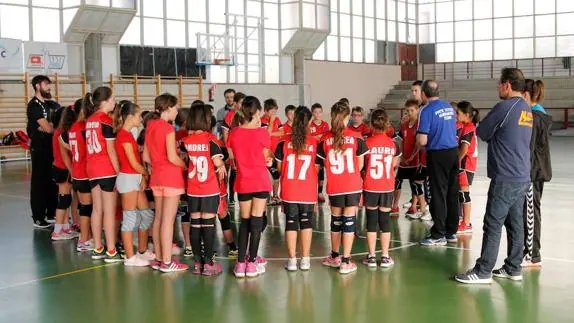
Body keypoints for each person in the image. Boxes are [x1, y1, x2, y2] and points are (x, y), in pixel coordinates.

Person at [456, 68, 532, 284]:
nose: (498, 87)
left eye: (499, 83)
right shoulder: (526, 109)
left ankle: (483, 270)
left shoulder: (504, 107)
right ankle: (513, 267)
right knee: (515, 223)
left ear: (507, 84)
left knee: (493, 223)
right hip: (521, 174)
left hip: (505, 176)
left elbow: (482, 132)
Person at [318, 102, 369, 275]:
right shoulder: (356, 137)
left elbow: (321, 166)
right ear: (347, 117)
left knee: (336, 221)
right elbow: (361, 165)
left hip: (335, 186)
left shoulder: (324, 140)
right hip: (352, 185)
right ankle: (346, 261)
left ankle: (334, 256)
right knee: (349, 222)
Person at [227, 96, 273, 278]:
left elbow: (232, 154)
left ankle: (240, 264)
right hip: (260, 180)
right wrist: (266, 161)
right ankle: (252, 263)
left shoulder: (234, 133)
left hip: (243, 181)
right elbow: (266, 157)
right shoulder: (262, 133)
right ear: (257, 113)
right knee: (256, 222)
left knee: (245, 222)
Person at [143, 93, 188, 273]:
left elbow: (146, 156)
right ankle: (168, 261)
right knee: (168, 221)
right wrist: (183, 163)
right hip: (171, 178)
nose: (177, 112)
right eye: (176, 108)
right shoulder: (168, 129)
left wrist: (158, 163)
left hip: (157, 178)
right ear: (168, 107)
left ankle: (160, 258)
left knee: (159, 219)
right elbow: (172, 156)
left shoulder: (150, 126)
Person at [275, 106, 320, 271]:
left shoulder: (284, 143)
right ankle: (306, 260)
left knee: (291, 223)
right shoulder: (315, 143)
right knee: (306, 223)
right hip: (307, 189)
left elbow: (280, 168)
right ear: (309, 121)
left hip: (289, 189)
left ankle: (292, 260)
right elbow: (317, 168)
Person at [184, 104, 226, 276]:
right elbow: (217, 164)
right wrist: (222, 166)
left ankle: (197, 263)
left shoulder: (187, 141)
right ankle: (208, 264)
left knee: (195, 224)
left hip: (193, 188)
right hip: (208, 188)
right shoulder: (211, 140)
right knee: (208, 225)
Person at [416, 80, 460, 246]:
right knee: (451, 193)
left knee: (438, 194)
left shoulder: (426, 110)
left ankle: (438, 234)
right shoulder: (449, 107)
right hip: (453, 153)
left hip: (438, 154)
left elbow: (422, 139)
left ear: (423, 94)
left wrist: (419, 144)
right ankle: (451, 232)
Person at [114, 100, 155, 267]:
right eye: (138, 115)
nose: (141, 118)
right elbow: (133, 163)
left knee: (146, 215)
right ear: (130, 116)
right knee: (130, 219)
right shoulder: (123, 136)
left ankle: (142, 251)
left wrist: (143, 178)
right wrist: (149, 173)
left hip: (135, 178)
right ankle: (130, 257)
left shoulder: (129, 135)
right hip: (128, 178)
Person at [84, 87, 121, 262]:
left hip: (92, 169)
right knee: (109, 211)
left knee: (97, 209)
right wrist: (118, 172)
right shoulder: (106, 121)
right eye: (112, 99)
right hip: (106, 169)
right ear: (105, 101)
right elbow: (111, 150)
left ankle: (98, 247)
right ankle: (111, 250)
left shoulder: (89, 120)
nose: (114, 102)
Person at [362, 109, 401, 268]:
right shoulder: (394, 145)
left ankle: (371, 256)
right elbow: (394, 165)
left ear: (371, 124)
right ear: (387, 124)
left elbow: (363, 166)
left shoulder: (366, 144)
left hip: (371, 186)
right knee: (384, 222)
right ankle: (385, 256)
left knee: (371, 221)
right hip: (386, 187)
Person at [522, 79, 552, 268]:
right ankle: (529, 251)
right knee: (529, 211)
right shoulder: (539, 114)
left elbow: (528, 147)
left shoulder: (534, 118)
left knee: (531, 212)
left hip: (533, 172)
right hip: (535, 170)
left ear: (526, 95)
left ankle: (533, 254)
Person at [27, 75, 59, 228]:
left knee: (52, 181)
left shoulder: (52, 104)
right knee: (39, 183)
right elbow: (47, 128)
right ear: (37, 86)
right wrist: (49, 126)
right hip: (39, 149)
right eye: (46, 84)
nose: (49, 87)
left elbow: (59, 124)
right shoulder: (34, 105)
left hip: (52, 148)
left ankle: (51, 213)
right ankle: (38, 217)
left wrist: (50, 126)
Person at [67, 99, 94, 252]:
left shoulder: (73, 127)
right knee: (87, 208)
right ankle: (84, 239)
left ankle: (87, 237)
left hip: (76, 172)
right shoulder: (84, 127)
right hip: (84, 172)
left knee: (84, 207)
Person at [392, 100, 426, 220]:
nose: (409, 113)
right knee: (397, 182)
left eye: (412, 110)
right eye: (408, 111)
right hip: (404, 161)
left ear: (417, 110)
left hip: (414, 161)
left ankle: (415, 207)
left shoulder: (420, 125)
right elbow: (401, 140)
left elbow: (419, 144)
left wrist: (412, 157)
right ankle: (394, 206)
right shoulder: (405, 125)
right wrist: (401, 156)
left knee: (414, 185)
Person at [51, 106, 78, 240]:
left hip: (58, 167)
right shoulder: (63, 134)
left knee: (65, 200)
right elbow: (67, 152)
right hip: (63, 168)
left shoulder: (58, 131)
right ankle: (57, 231)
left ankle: (65, 228)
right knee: (63, 200)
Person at [456, 101, 480, 234]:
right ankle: (463, 221)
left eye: (458, 113)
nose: (456, 115)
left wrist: (456, 162)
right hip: (465, 166)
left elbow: (464, 150)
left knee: (464, 194)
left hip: (466, 166)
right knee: (461, 193)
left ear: (466, 115)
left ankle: (466, 223)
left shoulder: (468, 128)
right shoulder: (467, 127)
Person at [222, 92, 246, 206]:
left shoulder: (246, 115)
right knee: (234, 172)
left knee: (243, 172)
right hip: (233, 148)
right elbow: (225, 133)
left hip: (244, 148)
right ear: (235, 103)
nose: (243, 105)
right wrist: (229, 149)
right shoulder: (229, 115)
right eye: (241, 103)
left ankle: (244, 193)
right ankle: (231, 197)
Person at [261, 98, 283, 205]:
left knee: (276, 175)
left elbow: (282, 132)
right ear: (265, 111)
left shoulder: (277, 120)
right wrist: (271, 122)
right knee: (267, 175)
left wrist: (273, 133)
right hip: (266, 152)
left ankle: (275, 195)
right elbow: (266, 134)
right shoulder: (262, 121)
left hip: (276, 152)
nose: (274, 113)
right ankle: (268, 196)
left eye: (275, 111)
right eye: (271, 111)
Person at [310, 103, 330, 203]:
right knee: (313, 172)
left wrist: (316, 137)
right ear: (312, 113)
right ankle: (312, 191)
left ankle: (320, 192)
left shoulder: (325, 124)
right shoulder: (309, 124)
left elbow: (326, 136)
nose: (317, 114)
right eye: (315, 112)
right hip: (312, 151)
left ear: (322, 113)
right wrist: (319, 136)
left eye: (319, 112)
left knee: (321, 172)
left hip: (322, 151)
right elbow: (307, 137)